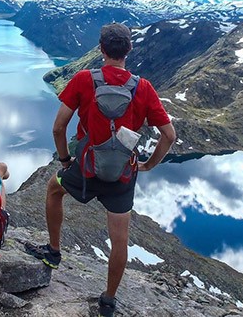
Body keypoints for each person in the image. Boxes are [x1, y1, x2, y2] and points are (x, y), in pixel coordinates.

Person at [25, 23, 176, 316]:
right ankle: (108, 300)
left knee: (54, 190)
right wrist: (147, 165)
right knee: (119, 239)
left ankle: (53, 252)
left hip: (86, 169)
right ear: (128, 50)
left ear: (101, 49)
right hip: (123, 175)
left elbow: (58, 127)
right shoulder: (142, 88)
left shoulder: (84, 79)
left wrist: (67, 160)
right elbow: (169, 135)